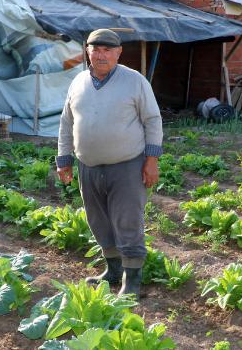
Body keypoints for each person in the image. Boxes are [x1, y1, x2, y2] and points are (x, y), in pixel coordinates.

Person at [56, 29, 163, 299]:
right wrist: (64, 159)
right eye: (96, 49)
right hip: (88, 166)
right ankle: (113, 270)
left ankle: (132, 280)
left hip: (127, 164)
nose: (101, 55)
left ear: (118, 53)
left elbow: (152, 120)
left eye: (107, 50)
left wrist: (152, 161)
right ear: (87, 52)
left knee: (128, 220)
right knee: (98, 220)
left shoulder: (134, 81)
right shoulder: (78, 82)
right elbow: (67, 122)